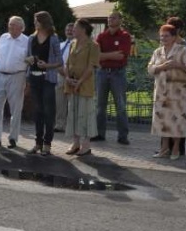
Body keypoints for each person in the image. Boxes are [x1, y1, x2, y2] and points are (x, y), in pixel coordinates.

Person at [147, 24, 186, 160]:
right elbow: (150, 69)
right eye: (161, 35)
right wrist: (162, 66)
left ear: (174, 37)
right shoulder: (157, 52)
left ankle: (175, 149)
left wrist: (177, 65)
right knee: (162, 121)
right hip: (161, 93)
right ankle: (164, 149)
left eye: (166, 36)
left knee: (177, 121)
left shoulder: (182, 50)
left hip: (177, 94)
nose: (163, 38)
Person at [0, 16, 31, 149]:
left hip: (17, 76)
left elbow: (30, 63)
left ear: (21, 28)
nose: (11, 27)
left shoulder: (27, 41)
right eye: (10, 24)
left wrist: (28, 82)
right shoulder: (3, 37)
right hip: (0, 75)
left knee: (15, 109)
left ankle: (13, 138)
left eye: (14, 25)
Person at [92, 11, 132, 145]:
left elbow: (121, 56)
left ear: (120, 20)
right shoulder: (102, 36)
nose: (110, 20)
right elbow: (96, 55)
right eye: (109, 18)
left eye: (114, 17)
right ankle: (99, 133)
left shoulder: (125, 36)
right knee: (100, 105)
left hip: (118, 73)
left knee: (120, 105)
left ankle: (122, 136)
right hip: (102, 72)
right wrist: (111, 55)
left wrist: (104, 55)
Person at [26, 11, 62, 156]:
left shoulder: (53, 38)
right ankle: (38, 143)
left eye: (36, 20)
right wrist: (29, 60)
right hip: (34, 78)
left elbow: (60, 61)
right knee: (38, 112)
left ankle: (47, 144)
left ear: (43, 22)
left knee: (48, 111)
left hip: (47, 78)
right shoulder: (31, 38)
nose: (34, 23)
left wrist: (47, 65)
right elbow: (28, 56)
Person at [64, 18, 100, 156]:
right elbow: (67, 64)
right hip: (71, 84)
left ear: (83, 29)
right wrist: (68, 78)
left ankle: (86, 145)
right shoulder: (72, 43)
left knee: (85, 115)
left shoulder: (93, 45)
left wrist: (79, 82)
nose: (73, 30)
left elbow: (91, 67)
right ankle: (75, 143)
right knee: (73, 113)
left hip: (84, 85)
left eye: (75, 27)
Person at [54, 22, 75, 132]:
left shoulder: (78, 45)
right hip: (60, 76)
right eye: (67, 30)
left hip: (72, 76)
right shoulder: (61, 45)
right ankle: (59, 124)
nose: (69, 32)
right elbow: (55, 60)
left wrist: (68, 74)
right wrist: (59, 70)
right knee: (59, 102)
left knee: (71, 103)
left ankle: (70, 126)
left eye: (72, 30)